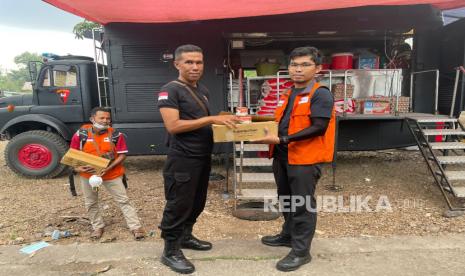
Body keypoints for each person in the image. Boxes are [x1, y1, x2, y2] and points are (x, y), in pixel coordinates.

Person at [157, 44, 238, 274]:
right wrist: (211, 119)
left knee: (197, 202)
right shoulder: (169, 90)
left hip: (202, 156)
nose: (195, 66)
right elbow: (173, 126)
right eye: (189, 62)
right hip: (182, 157)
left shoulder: (202, 89)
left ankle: (185, 237)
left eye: (199, 62)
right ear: (177, 64)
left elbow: (202, 120)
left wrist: (226, 120)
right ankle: (170, 250)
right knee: (179, 203)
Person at [255, 46, 336, 272]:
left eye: (304, 65)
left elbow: (319, 128)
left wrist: (282, 139)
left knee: (302, 205)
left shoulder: (320, 94)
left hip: (305, 160)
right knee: (286, 199)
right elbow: (280, 122)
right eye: (294, 64)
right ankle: (288, 235)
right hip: (282, 157)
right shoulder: (288, 93)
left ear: (318, 68)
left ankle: (301, 251)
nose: (297, 70)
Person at [70, 107, 145, 240]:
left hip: (112, 175)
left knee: (123, 200)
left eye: (108, 118)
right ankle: (97, 227)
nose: (105, 121)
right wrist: (77, 168)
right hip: (89, 177)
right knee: (91, 202)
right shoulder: (80, 134)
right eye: (102, 118)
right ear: (92, 119)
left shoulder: (116, 134)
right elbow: (72, 155)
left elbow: (122, 155)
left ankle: (135, 227)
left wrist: (108, 168)